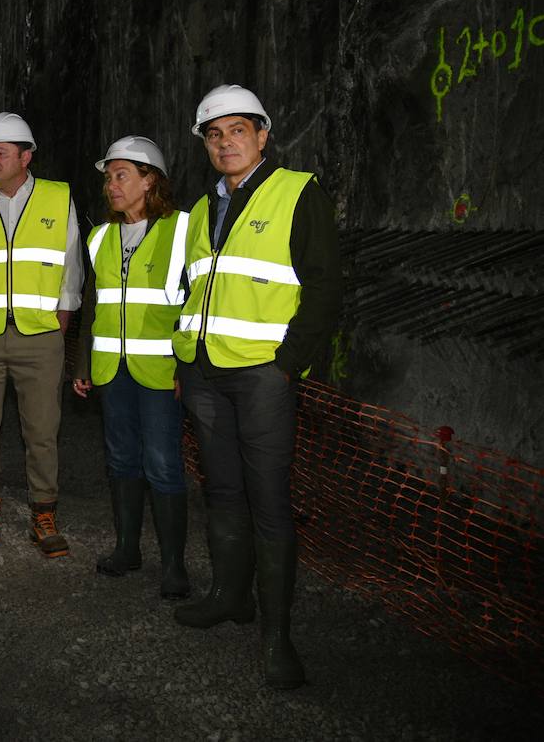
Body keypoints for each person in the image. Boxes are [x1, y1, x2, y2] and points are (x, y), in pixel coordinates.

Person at [171, 84, 341, 690]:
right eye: (214, 135)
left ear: (263, 135)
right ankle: (228, 596)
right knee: (221, 492)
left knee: (269, 503)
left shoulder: (299, 193)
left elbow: (324, 287)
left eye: (237, 130)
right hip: (207, 373)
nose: (226, 142)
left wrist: (287, 363)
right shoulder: (199, 210)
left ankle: (278, 637)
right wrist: (182, 358)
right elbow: (193, 290)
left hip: (263, 376)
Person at [0, 113, 83, 559]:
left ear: (26, 156)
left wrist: (61, 321)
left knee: (42, 429)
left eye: (0, 152)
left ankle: (44, 513)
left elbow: (70, 266)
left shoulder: (57, 197)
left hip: (39, 334)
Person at [71, 136, 191, 598]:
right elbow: (93, 305)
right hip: (110, 368)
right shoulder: (100, 236)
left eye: (121, 176)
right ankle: (127, 549)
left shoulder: (181, 230)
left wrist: (188, 366)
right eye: (107, 178)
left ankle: (175, 565)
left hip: (161, 368)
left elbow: (194, 301)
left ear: (149, 180)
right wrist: (82, 363)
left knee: (162, 463)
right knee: (121, 458)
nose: (111, 186)